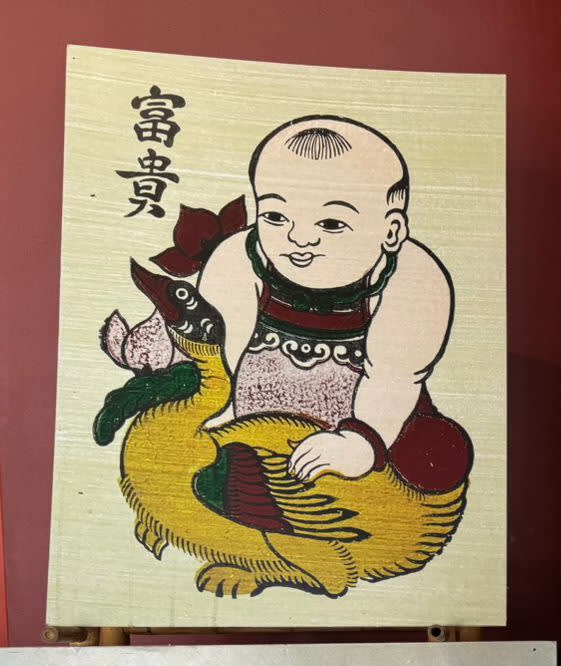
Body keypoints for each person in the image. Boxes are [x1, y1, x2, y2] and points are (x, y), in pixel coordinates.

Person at [197, 115, 468, 491]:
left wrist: (363, 441)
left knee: (440, 456)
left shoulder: (412, 274)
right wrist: (222, 409)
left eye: (331, 224)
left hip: (370, 406)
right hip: (254, 399)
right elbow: (217, 350)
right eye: (275, 216)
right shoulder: (240, 256)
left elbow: (395, 375)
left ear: (391, 231)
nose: (299, 238)